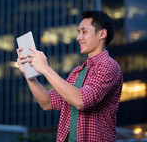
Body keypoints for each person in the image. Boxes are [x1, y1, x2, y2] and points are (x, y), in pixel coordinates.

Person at [17, 10, 123, 142]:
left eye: (84, 32)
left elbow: (82, 101)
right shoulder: (77, 72)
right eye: (79, 32)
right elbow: (47, 102)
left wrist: (45, 68)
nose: (78, 37)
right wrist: (28, 74)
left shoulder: (109, 66)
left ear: (102, 34)